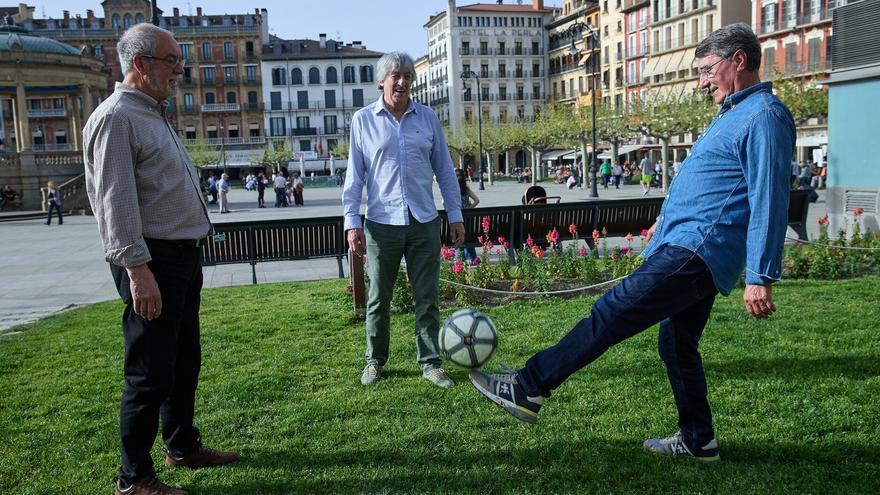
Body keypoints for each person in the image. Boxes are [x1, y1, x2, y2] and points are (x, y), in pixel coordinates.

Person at [468, 23, 796, 464]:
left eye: (706, 70)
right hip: (684, 247)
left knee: (613, 310)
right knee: (676, 345)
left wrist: (760, 276)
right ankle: (699, 441)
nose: (701, 81)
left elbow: (769, 198)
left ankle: (529, 387)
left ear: (738, 60)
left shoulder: (764, 116)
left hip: (697, 250)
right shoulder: (734, 113)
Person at [82, 23, 239, 495]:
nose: (180, 69)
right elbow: (115, 203)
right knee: (150, 372)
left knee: (183, 361)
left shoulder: (151, 113)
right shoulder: (117, 118)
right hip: (151, 262)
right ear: (141, 64)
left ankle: (182, 446)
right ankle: (134, 479)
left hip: (180, 259)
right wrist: (137, 271)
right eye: (172, 60)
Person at [342, 51, 465, 388]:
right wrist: (352, 221)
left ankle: (430, 363)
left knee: (428, 297)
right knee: (378, 298)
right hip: (382, 224)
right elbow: (354, 176)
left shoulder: (427, 119)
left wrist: (454, 215)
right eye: (395, 76)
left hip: (424, 220)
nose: (402, 82)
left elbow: (445, 171)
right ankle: (374, 361)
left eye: (407, 76)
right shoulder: (363, 121)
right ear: (382, 81)